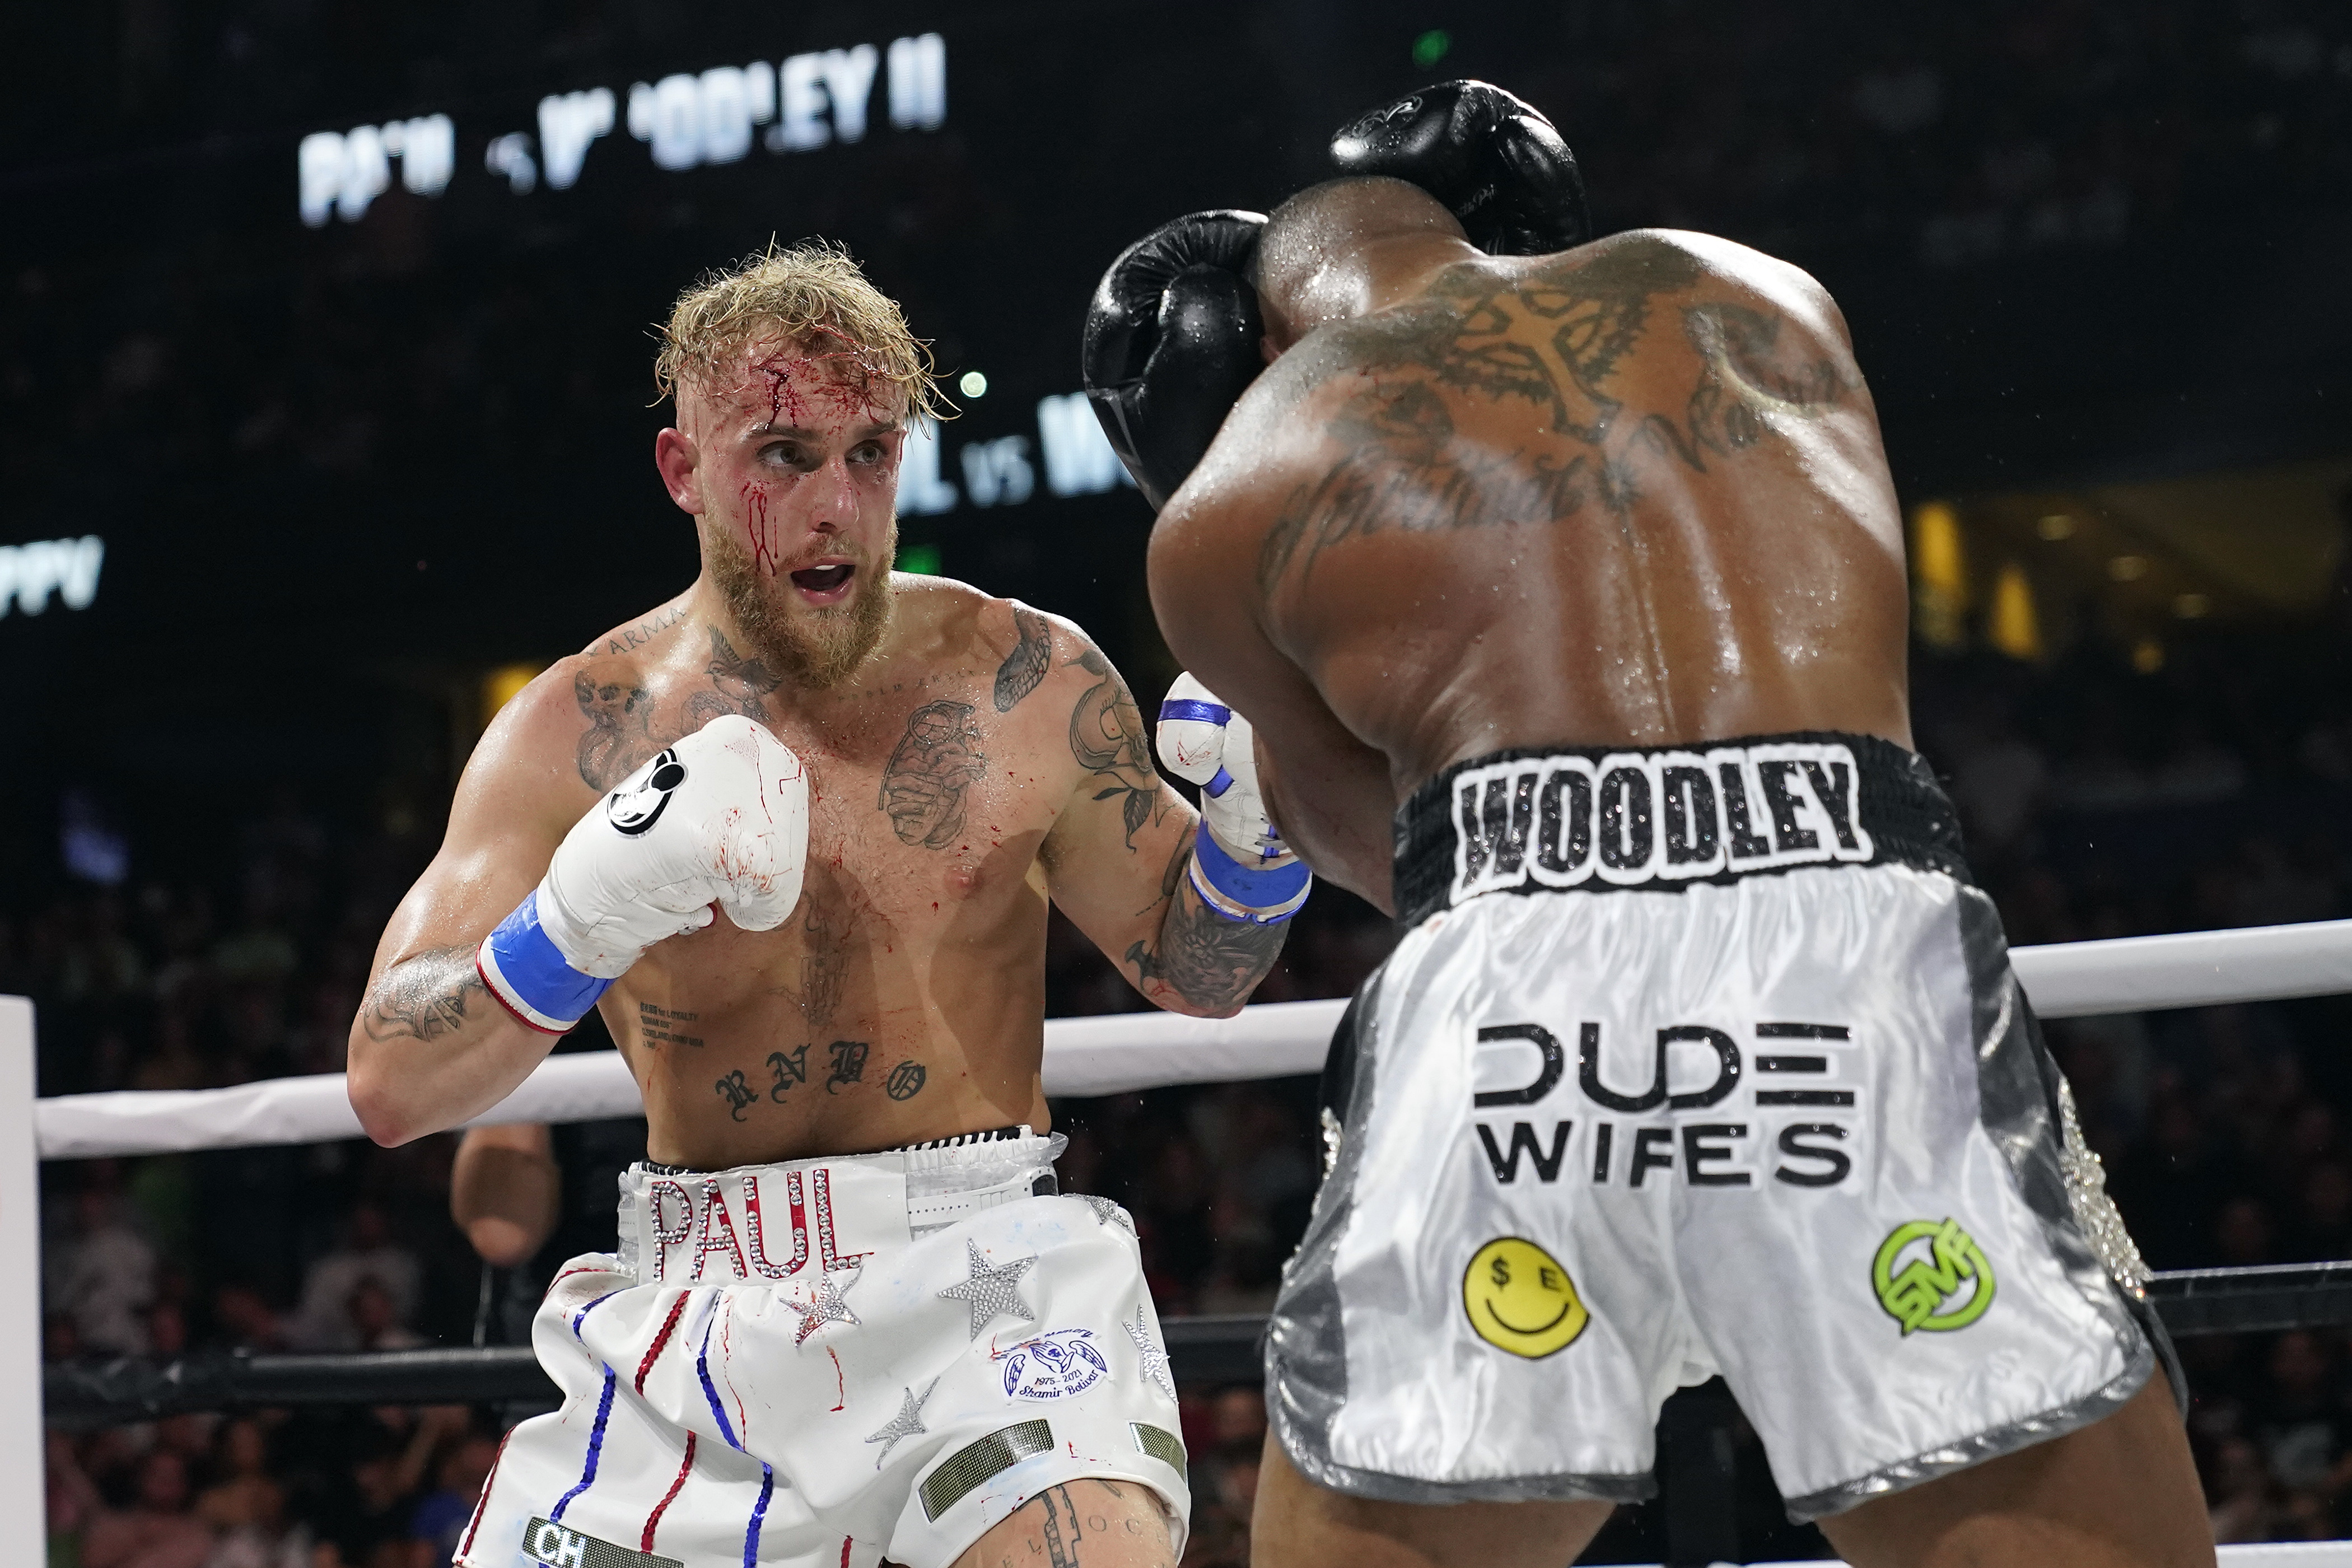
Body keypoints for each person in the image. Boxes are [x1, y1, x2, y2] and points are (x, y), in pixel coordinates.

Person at [1085, 81, 2208, 1567]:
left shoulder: (1226, 505)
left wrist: (1256, 793)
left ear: (1259, 352)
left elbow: (1395, 863)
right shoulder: (1763, 295)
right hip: (1847, 939)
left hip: (1525, 1001)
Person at [348, 242, 1305, 1568]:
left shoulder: (1027, 679)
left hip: (988, 1288)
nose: (837, 505)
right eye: (785, 456)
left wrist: (1259, 839)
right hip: (694, 1306)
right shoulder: (577, 731)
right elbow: (391, 1079)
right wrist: (577, 919)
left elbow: (1200, 971)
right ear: (684, 470)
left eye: (870, 452)